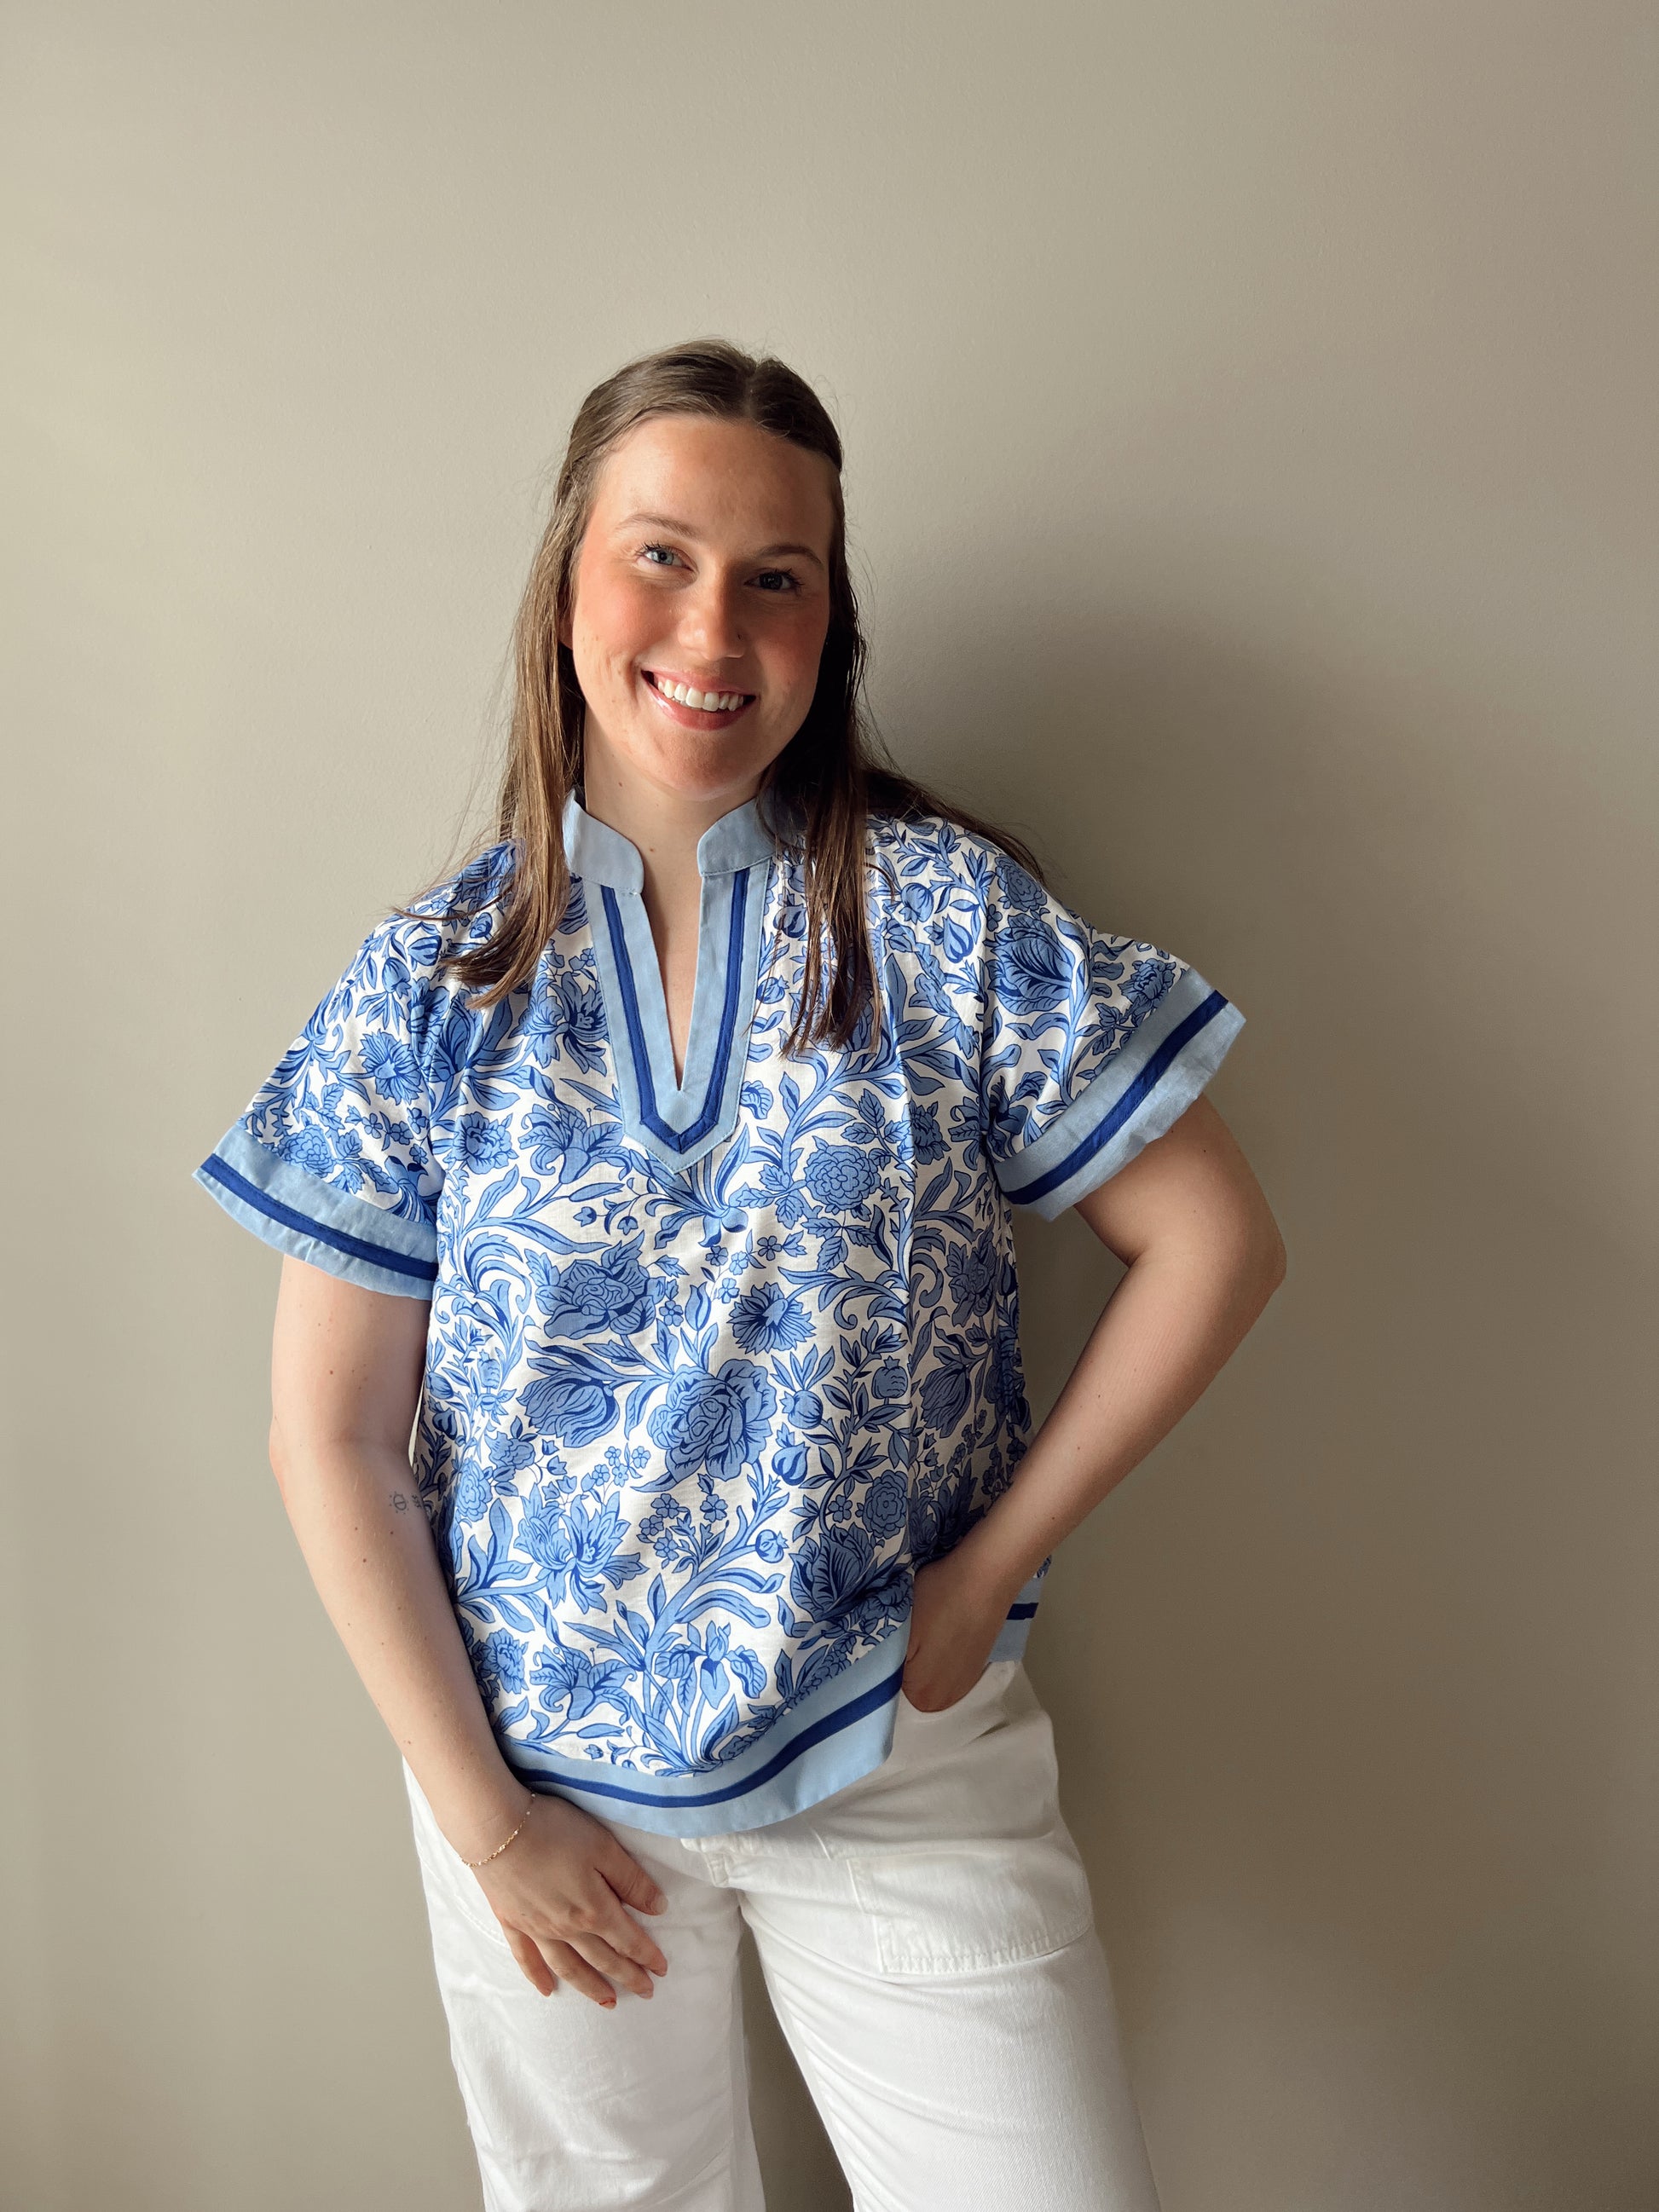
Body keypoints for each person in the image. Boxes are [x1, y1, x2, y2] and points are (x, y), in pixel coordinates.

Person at [194, 337, 1286, 2212]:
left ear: (828, 624)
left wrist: (986, 1575)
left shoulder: (941, 919)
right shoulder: (434, 986)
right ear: (567, 585)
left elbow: (1214, 1242)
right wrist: (488, 1824)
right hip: (538, 1787)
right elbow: (332, 1440)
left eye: (777, 576)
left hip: (897, 1759)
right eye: (661, 556)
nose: (714, 628)